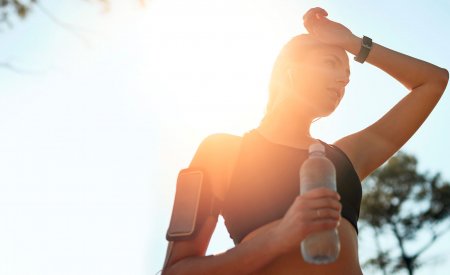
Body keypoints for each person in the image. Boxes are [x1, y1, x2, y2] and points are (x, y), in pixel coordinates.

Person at [162, 7, 449, 275]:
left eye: (347, 76)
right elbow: (175, 270)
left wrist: (352, 43)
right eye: (331, 64)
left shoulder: (345, 158)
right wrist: (279, 236)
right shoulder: (220, 151)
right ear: (290, 70)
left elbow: (434, 81)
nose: (342, 81)